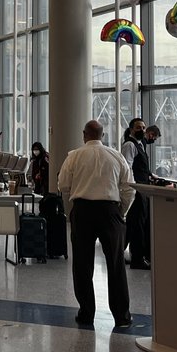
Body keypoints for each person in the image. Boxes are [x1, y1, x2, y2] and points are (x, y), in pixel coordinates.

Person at [56, 120, 135, 328]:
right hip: (110, 211)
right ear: (102, 135)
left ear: (84, 135)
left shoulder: (74, 156)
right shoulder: (116, 156)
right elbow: (129, 188)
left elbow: (63, 185)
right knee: (116, 265)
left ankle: (86, 313)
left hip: (82, 211)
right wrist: (121, 211)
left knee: (82, 264)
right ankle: (122, 316)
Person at [121, 119, 157, 269]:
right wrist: (132, 189)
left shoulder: (140, 144)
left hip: (142, 189)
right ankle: (138, 258)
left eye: (143, 127)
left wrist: (150, 176)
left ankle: (119, 253)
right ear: (130, 129)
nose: (142, 130)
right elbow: (127, 168)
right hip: (136, 191)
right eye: (138, 128)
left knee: (132, 225)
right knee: (137, 225)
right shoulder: (130, 145)